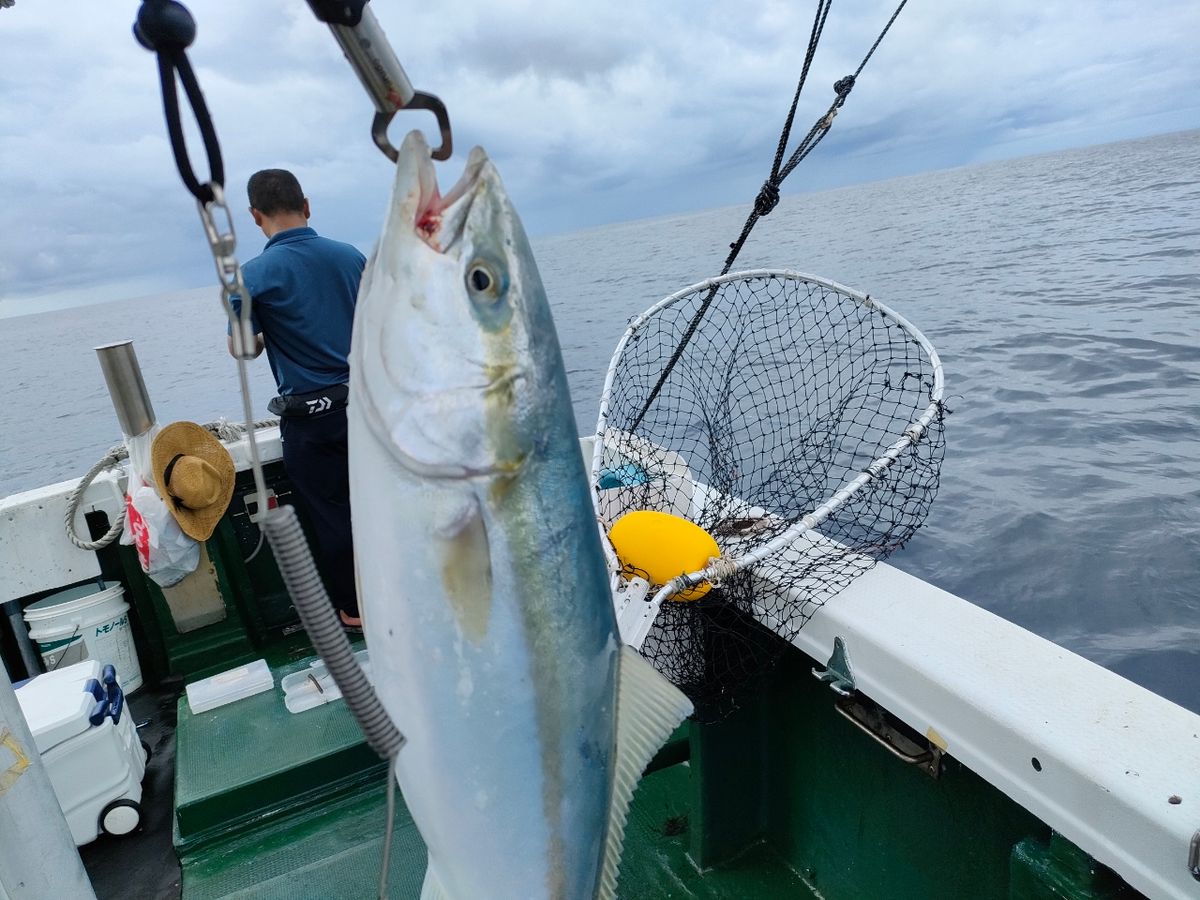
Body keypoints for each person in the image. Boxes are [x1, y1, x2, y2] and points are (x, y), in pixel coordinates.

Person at [227, 168, 365, 629]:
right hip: (368, 408)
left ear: (254, 215)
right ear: (307, 205)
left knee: (330, 517)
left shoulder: (252, 276)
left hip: (312, 420)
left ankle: (355, 610)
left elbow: (244, 349)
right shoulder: (351, 257)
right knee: (382, 505)